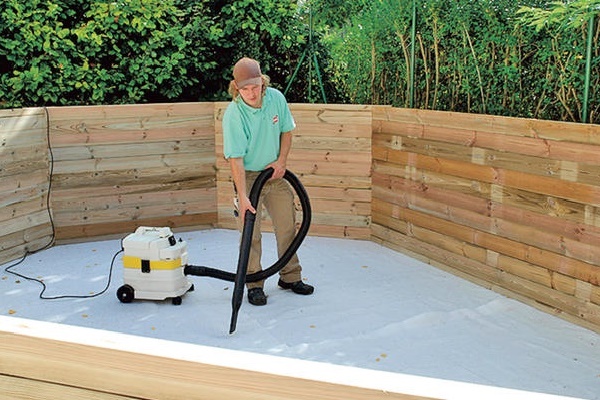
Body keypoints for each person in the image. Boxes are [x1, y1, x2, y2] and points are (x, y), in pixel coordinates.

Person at [222, 57, 314, 306]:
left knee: (287, 225)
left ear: (262, 82)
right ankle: (254, 284)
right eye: (245, 89)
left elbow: (286, 131)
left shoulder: (276, 99)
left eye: (255, 87)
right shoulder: (234, 114)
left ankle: (290, 277)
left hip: (275, 173)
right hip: (249, 176)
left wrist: (281, 161)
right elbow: (236, 159)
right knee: (250, 233)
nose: (252, 93)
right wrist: (242, 196)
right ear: (236, 88)